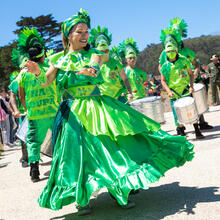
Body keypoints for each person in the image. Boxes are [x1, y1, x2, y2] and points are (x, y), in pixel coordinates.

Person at [25, 9, 194, 216]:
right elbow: (46, 81)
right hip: (73, 114)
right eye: (80, 32)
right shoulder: (58, 59)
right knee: (78, 157)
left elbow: (94, 68)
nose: (85, 35)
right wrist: (37, 72)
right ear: (69, 35)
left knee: (112, 150)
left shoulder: (94, 54)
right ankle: (82, 197)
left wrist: (90, 70)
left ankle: (118, 190)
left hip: (97, 108)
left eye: (87, 31)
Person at [17, 27, 59, 182]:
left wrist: (28, 109)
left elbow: (21, 96)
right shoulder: (49, 68)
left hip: (35, 114)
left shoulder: (23, 73)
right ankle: (60, 166)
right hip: (53, 112)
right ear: (42, 56)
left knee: (34, 142)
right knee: (58, 138)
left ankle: (34, 170)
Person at [159, 17, 213, 130]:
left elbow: (196, 64)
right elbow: (161, 67)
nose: (177, 34)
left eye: (178, 31)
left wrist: (196, 72)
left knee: (195, 103)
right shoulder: (166, 52)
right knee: (179, 107)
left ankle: (201, 123)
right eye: (175, 31)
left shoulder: (187, 52)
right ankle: (181, 127)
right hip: (176, 85)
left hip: (191, 80)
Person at [89, 25, 133, 99]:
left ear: (108, 51)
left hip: (118, 96)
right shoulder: (95, 64)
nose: (104, 53)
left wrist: (129, 92)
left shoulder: (116, 63)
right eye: (101, 51)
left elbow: (125, 79)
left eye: (106, 51)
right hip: (104, 98)